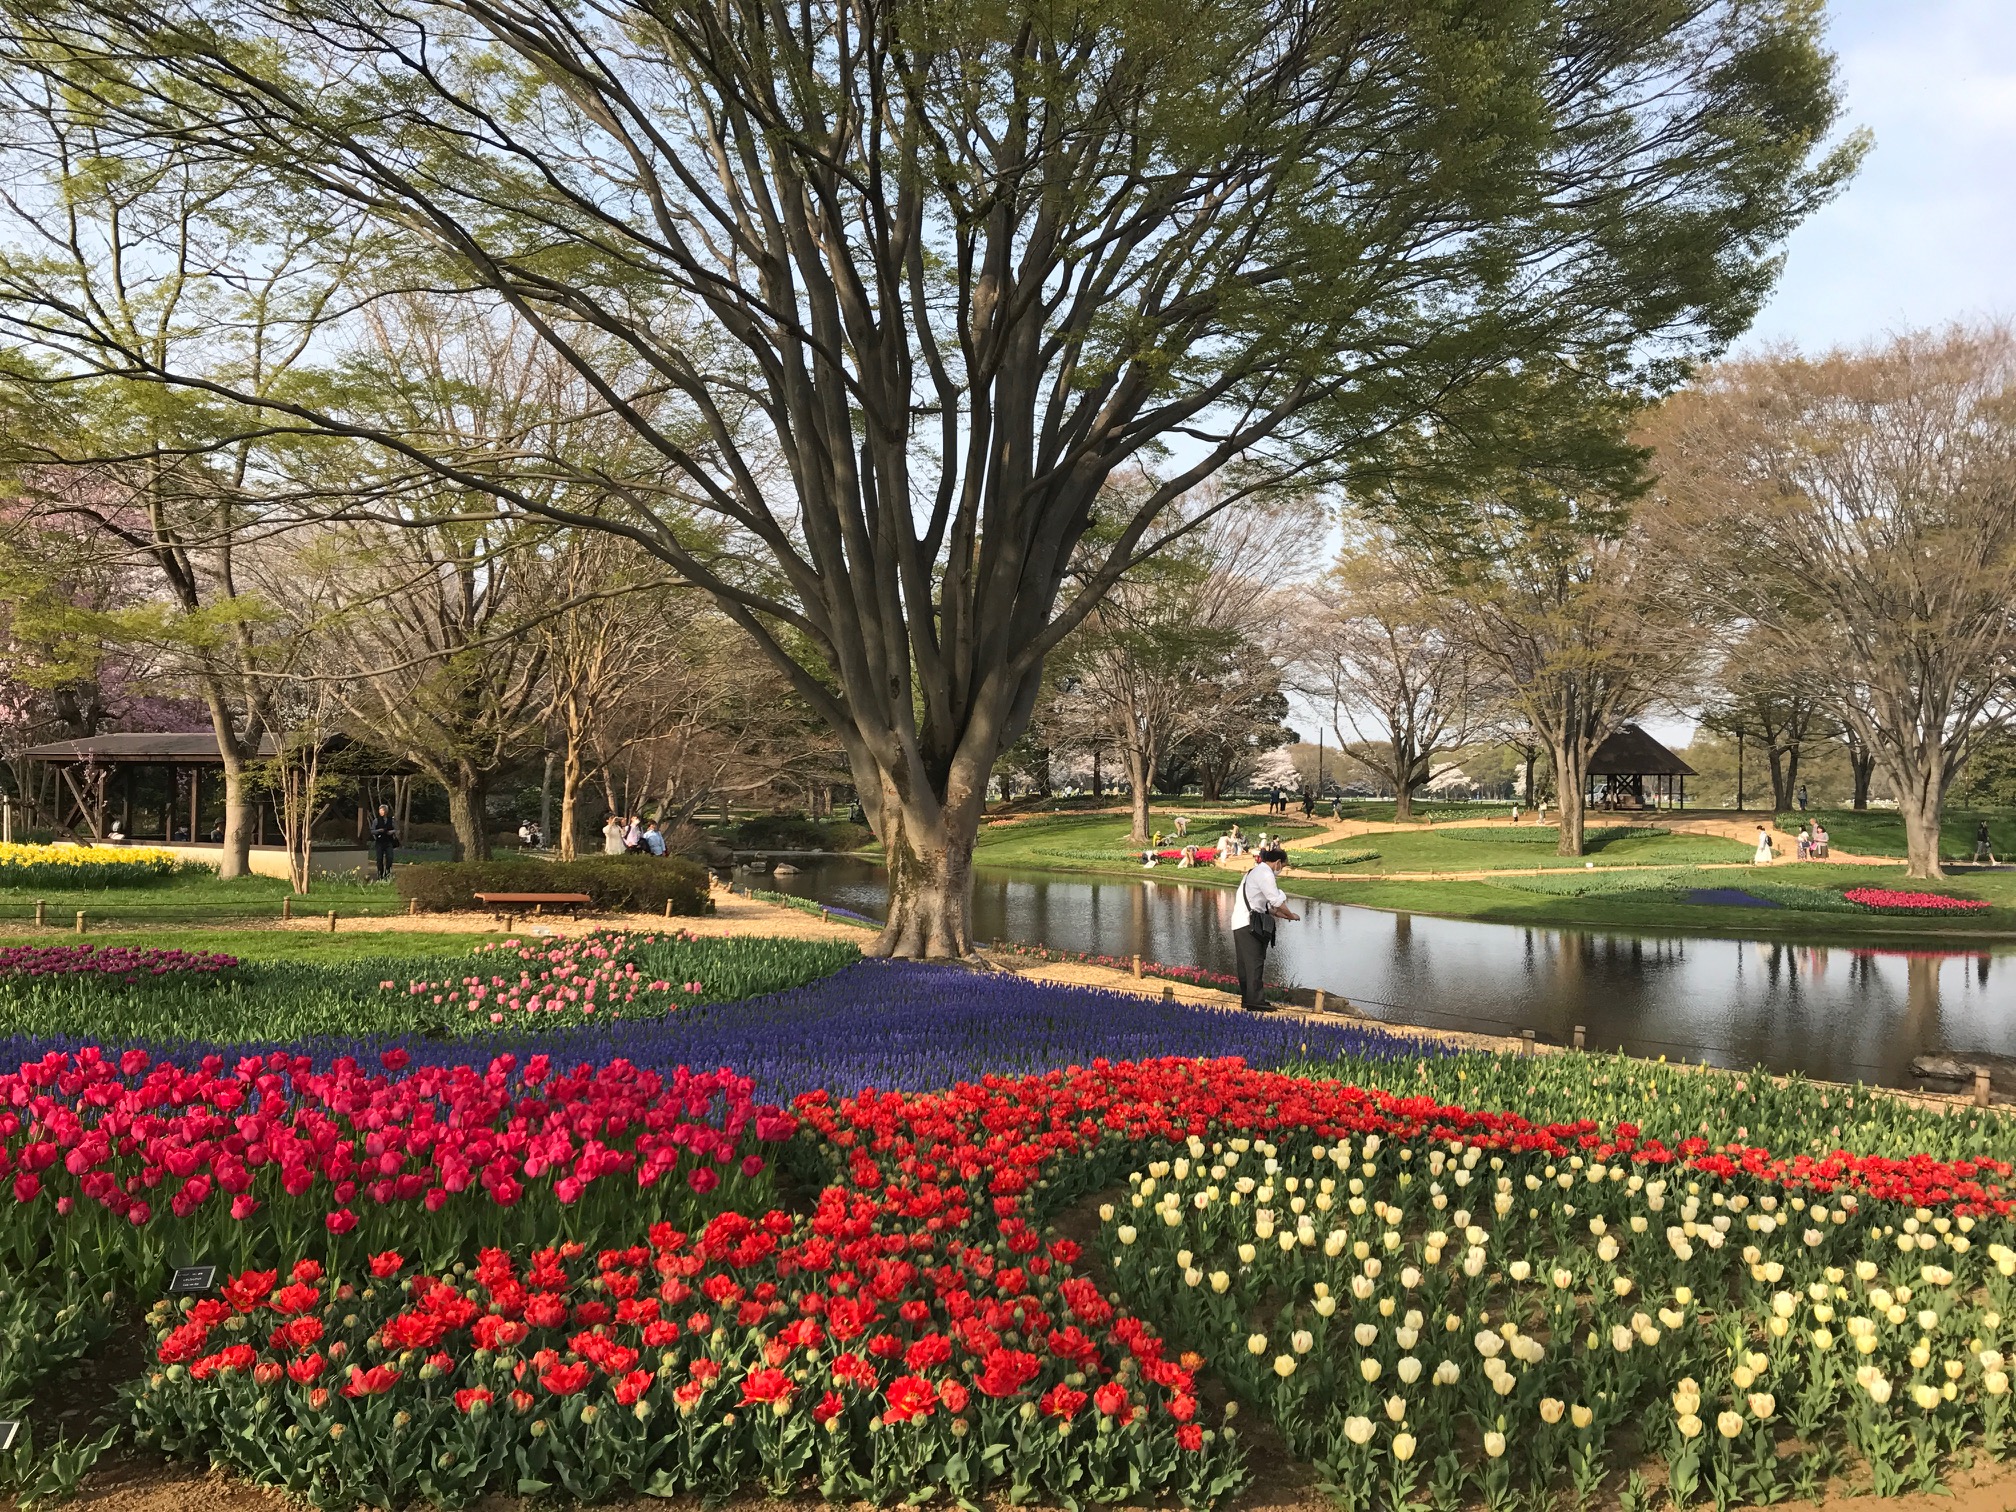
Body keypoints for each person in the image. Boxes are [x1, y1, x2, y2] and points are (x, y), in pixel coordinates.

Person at [1231, 846, 1299, 1012]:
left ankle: (1248, 999)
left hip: (1239, 922)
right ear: (1277, 862)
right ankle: (1256, 1002)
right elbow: (1275, 901)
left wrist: (1284, 915)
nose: (1281, 869)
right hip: (1249, 923)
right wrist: (1290, 915)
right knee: (1255, 961)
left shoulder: (1252, 873)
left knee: (1244, 964)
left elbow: (1265, 906)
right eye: (1282, 865)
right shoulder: (1266, 874)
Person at [370, 804, 399, 880]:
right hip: (379, 842)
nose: (381, 812)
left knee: (390, 858)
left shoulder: (391, 820)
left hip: (389, 842)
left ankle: (387, 873)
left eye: (382, 810)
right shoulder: (376, 820)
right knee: (379, 859)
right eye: (380, 810)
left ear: (386, 811)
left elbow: (397, 829)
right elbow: (372, 831)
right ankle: (380, 874)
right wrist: (378, 831)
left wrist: (391, 832)